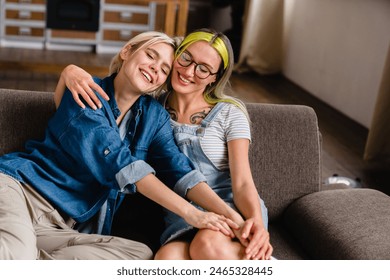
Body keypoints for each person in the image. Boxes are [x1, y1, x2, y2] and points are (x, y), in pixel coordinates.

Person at [0, 31, 240, 260]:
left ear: (161, 82)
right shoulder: (85, 91)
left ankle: (25, 261)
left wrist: (231, 215)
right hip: (22, 191)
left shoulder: (154, 117)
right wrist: (193, 214)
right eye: (150, 55)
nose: (155, 67)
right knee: (17, 253)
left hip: (60, 224)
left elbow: (179, 169)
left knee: (138, 255)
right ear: (127, 51)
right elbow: (121, 164)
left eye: (164, 69)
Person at [56, 29, 273, 260]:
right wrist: (69, 71)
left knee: (207, 245)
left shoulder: (229, 113)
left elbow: (242, 183)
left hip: (227, 205)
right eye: (186, 58)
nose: (189, 71)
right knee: (164, 260)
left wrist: (255, 225)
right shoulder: (149, 109)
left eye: (203, 68)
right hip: (180, 214)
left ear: (214, 78)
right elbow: (103, 112)